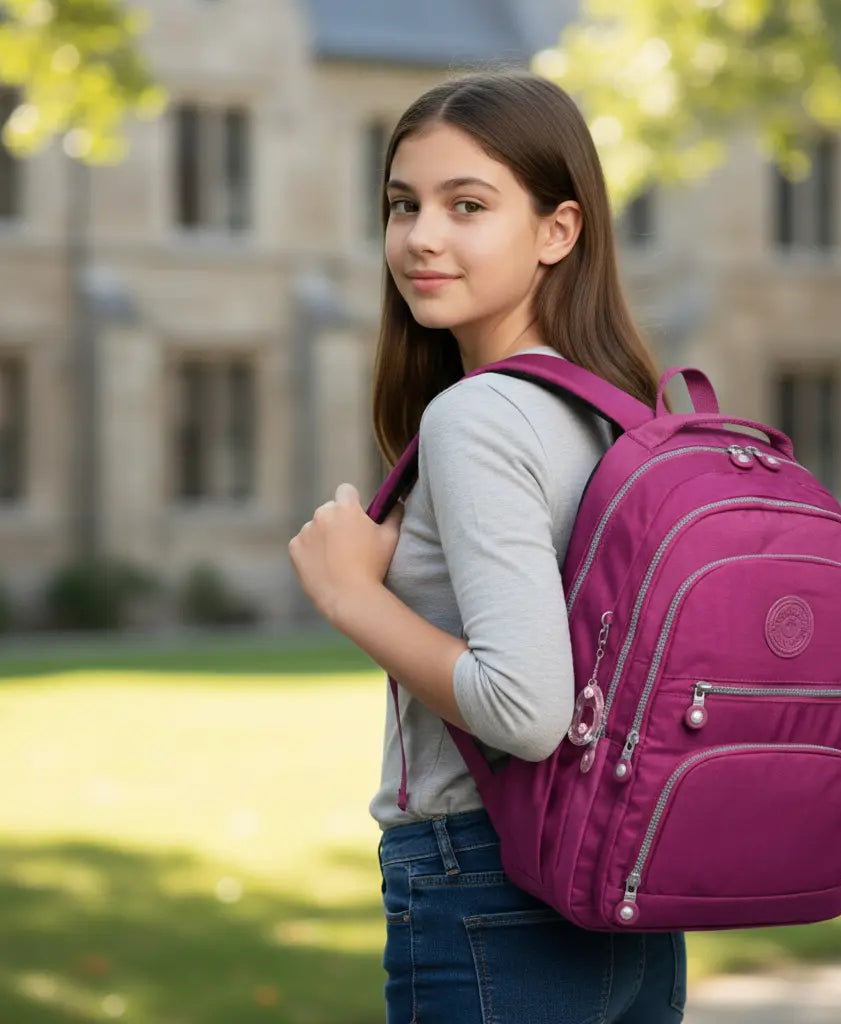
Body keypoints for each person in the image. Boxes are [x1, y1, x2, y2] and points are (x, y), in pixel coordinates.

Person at [288, 70, 686, 1024]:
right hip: (622, 893)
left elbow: (525, 707)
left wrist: (353, 597)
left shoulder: (479, 417)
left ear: (559, 229)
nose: (422, 236)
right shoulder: (620, 414)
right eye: (403, 204)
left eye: (468, 205)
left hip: (487, 883)